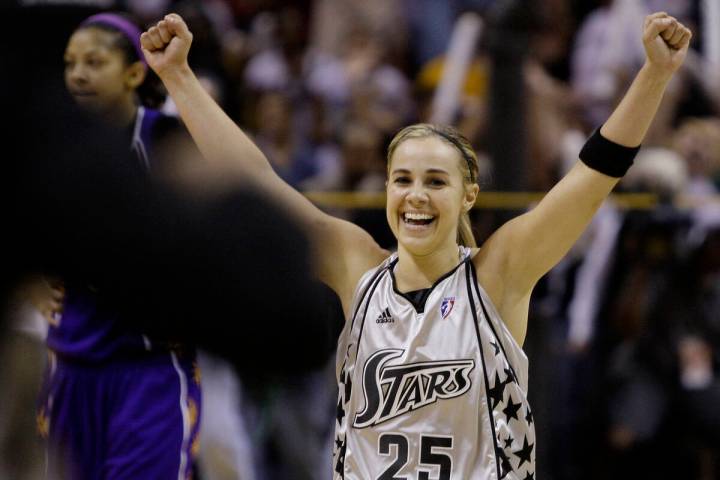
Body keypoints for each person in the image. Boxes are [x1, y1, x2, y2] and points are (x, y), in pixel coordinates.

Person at [141, 11, 691, 479]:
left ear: (468, 195)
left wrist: (655, 74)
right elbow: (255, 184)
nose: (416, 197)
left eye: (435, 181)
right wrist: (179, 76)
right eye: (402, 180)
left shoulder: (498, 272)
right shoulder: (356, 264)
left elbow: (591, 177)